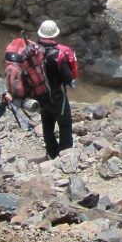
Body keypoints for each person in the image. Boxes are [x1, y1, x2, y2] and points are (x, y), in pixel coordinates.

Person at [36, 19, 80, 159]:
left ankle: (52, 152)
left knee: (47, 124)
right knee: (65, 122)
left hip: (40, 93)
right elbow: (67, 76)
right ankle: (65, 153)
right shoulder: (58, 54)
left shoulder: (33, 50)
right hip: (57, 94)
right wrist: (72, 82)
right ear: (54, 34)